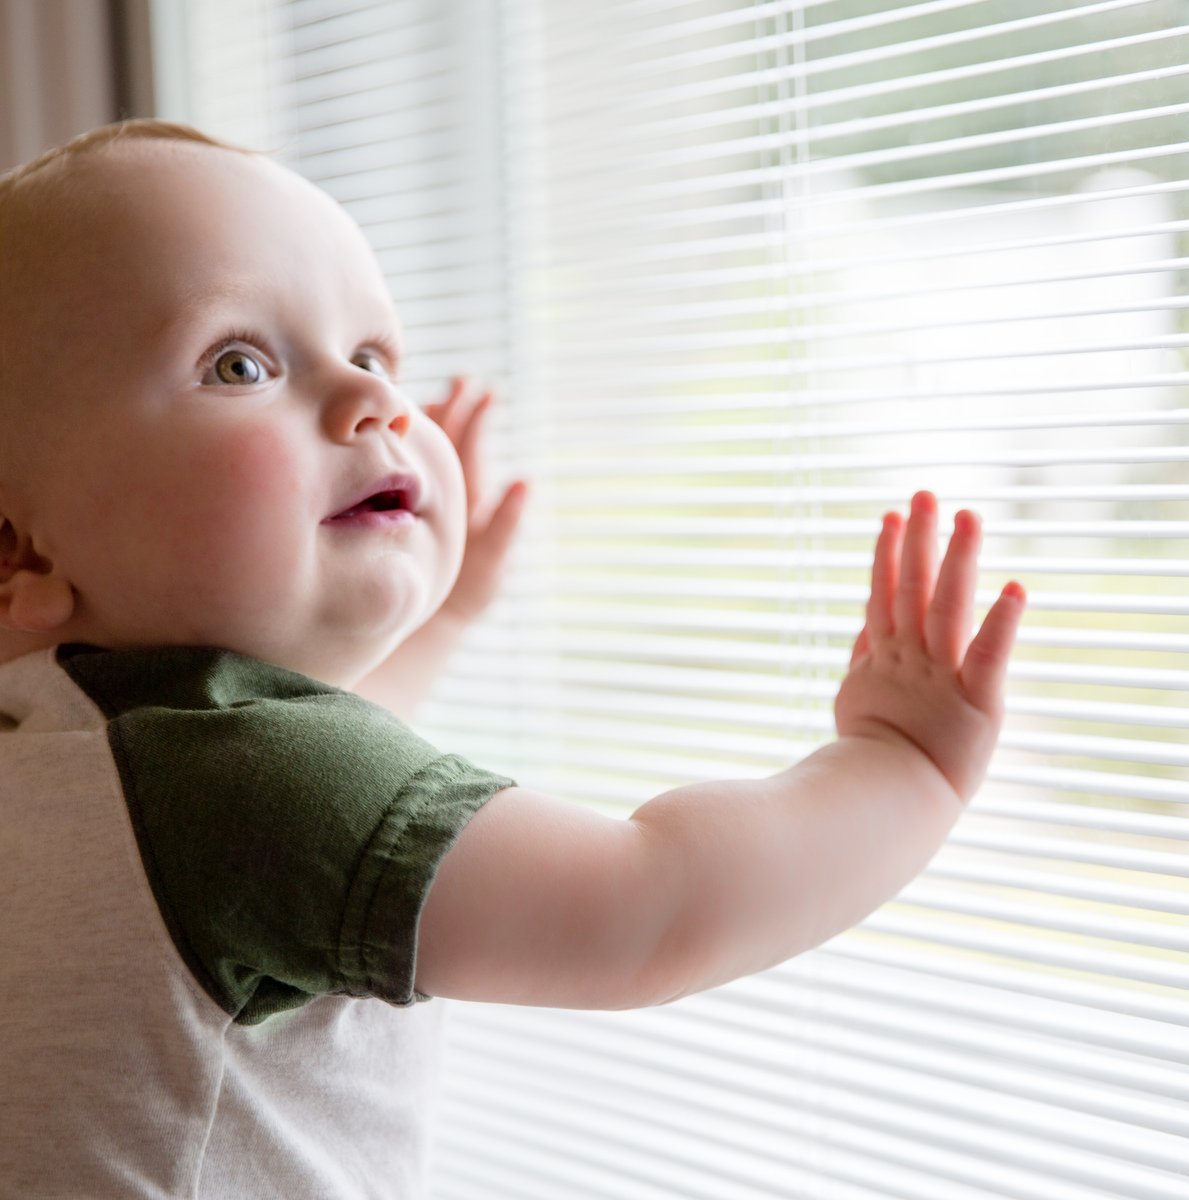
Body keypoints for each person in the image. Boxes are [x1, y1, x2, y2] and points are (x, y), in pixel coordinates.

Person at [0, 120, 1026, 1199]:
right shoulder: (229, 790)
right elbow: (652, 907)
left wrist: (436, 628)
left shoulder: (65, 750)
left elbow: (299, 788)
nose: (372, 404)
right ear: (22, 550)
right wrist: (906, 765)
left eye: (371, 355)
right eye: (240, 363)